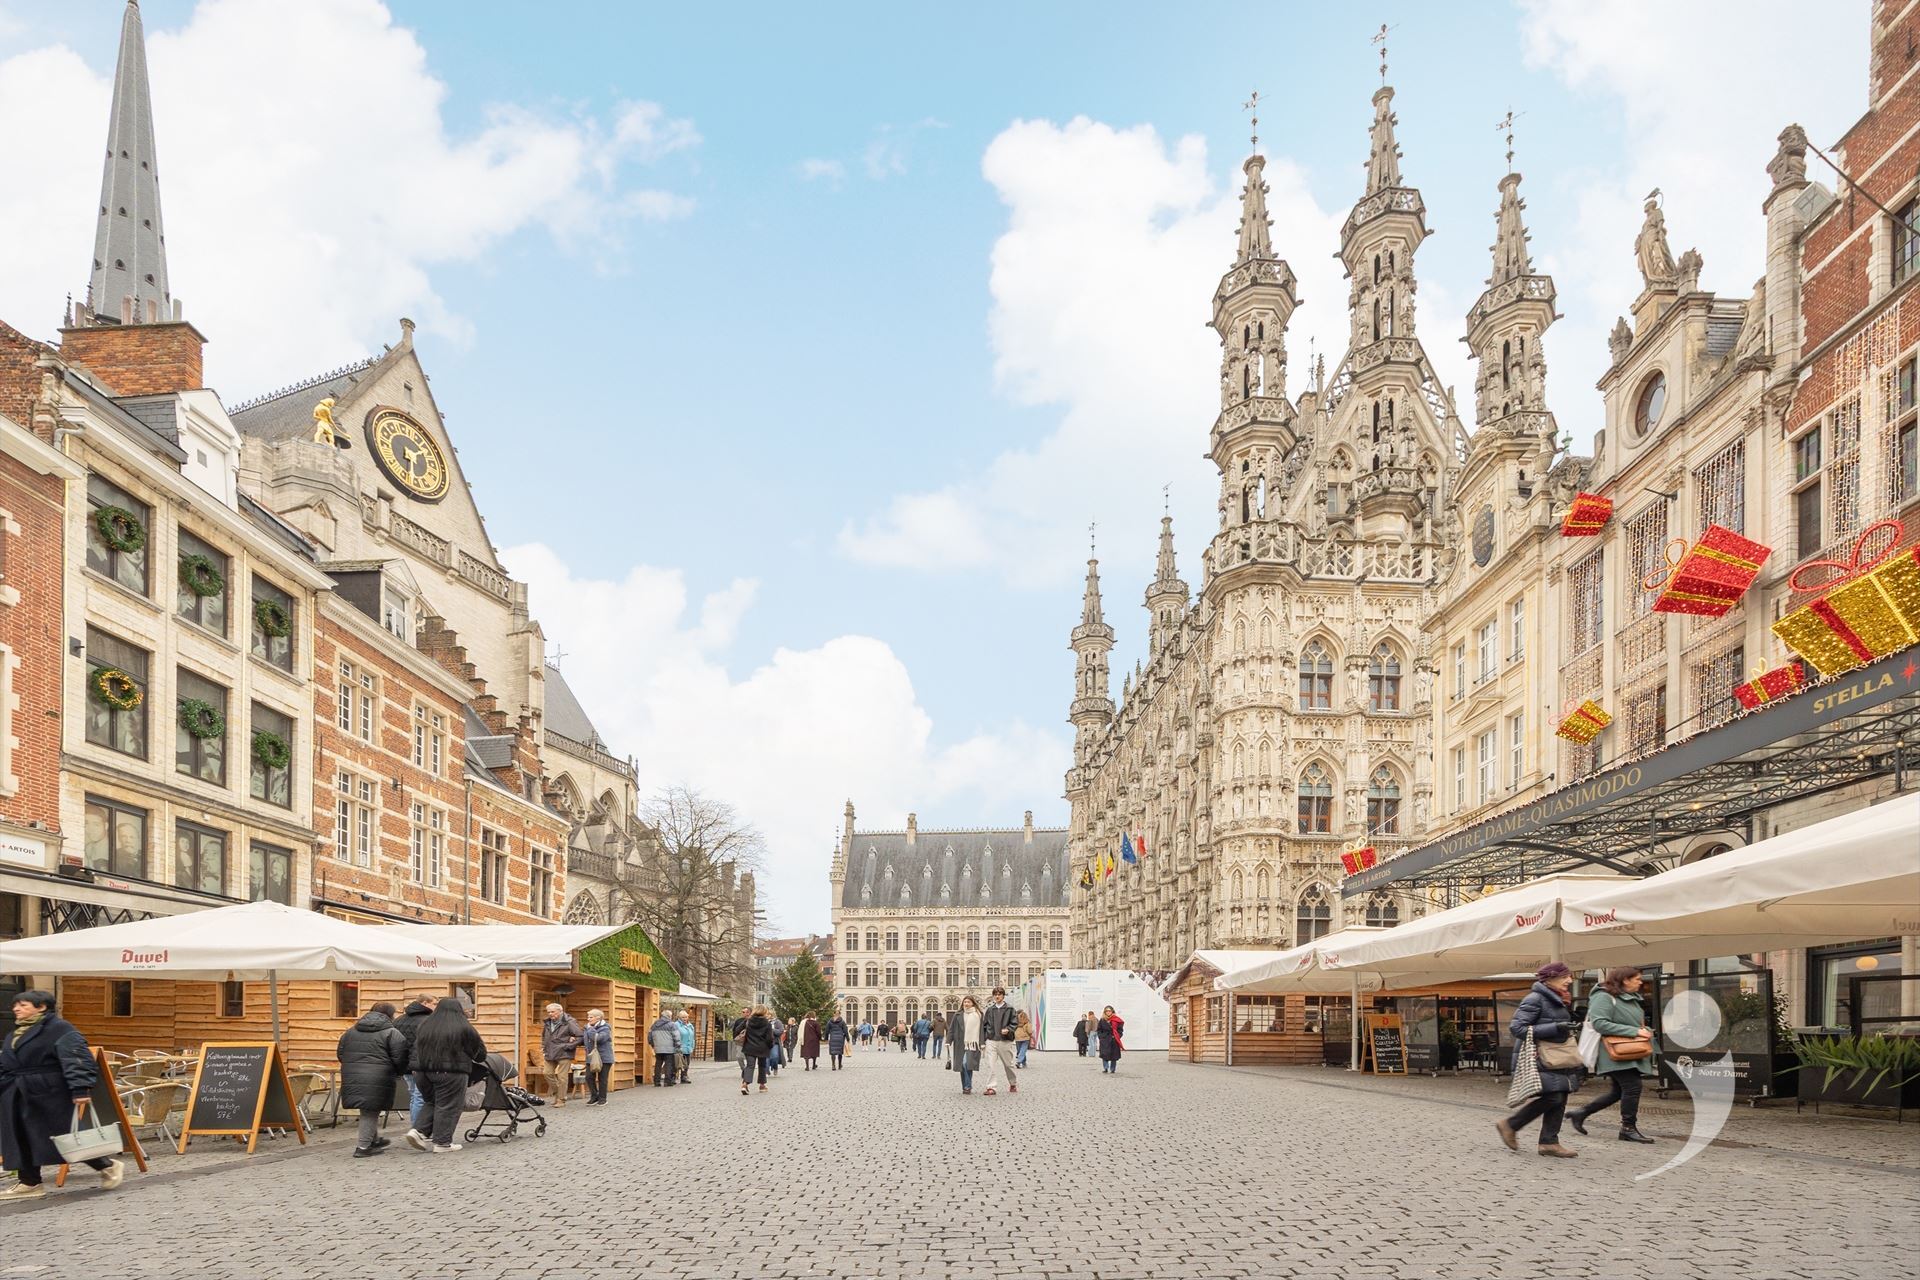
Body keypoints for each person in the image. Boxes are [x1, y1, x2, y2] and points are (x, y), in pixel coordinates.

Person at [0, 990, 123, 1198]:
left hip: (48, 1091)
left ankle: (108, 1165)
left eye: (23, 1005)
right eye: (15, 1005)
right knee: (21, 1135)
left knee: (61, 1136)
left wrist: (80, 1088)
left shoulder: (60, 1029)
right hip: (17, 1091)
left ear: (41, 1007)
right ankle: (29, 1183)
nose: (16, 1009)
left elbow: (77, 1059)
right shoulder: (16, 1033)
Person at [1496, 962, 1582, 1159]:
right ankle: (1511, 1125)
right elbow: (1517, 1028)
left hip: (1556, 1056)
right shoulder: (1535, 999)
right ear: (1550, 978)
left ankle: (1549, 1142)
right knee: (1554, 1096)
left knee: (1560, 1094)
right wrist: (1556, 1028)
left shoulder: (1557, 999)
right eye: (1564, 977)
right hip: (1539, 1056)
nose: (1569, 980)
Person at [1570, 967, 1658, 1144]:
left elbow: (1632, 1022)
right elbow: (1600, 1024)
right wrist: (1635, 1031)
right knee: (1633, 1087)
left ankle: (1581, 1113)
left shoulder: (1631, 999)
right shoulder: (1603, 996)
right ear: (1625, 980)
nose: (1641, 982)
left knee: (1617, 1091)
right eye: (1637, 979)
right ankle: (1628, 1128)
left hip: (1630, 1050)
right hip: (1613, 1051)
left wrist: (1645, 1030)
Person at [408, 997, 486, 1153]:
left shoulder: (425, 1025)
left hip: (422, 1071)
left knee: (432, 1101)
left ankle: (417, 1131)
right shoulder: (464, 1027)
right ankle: (442, 1143)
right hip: (451, 1072)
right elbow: (479, 1053)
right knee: (449, 1105)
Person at [338, 1000, 410, 1156]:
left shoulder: (351, 1031)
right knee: (370, 1111)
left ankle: (373, 1139)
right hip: (379, 1076)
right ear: (390, 1015)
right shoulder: (392, 1033)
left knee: (368, 1108)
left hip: (353, 1074)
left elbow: (341, 1053)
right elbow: (400, 1057)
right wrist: (398, 1072)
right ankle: (363, 1147)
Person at [392, 993, 437, 1134]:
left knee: (414, 1095)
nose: (436, 1007)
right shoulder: (429, 1021)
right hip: (421, 1065)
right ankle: (418, 1130)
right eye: (434, 1003)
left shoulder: (398, 1020)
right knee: (421, 1097)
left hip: (404, 1065)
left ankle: (415, 1127)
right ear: (425, 1003)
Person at [540, 1002, 582, 1106]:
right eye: (548, 1012)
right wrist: (543, 1047)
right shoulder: (548, 1023)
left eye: (552, 1011)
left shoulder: (569, 1022)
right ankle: (559, 1094)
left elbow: (580, 1036)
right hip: (550, 1052)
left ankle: (561, 1100)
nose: (550, 1014)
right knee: (547, 1073)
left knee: (562, 1077)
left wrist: (568, 1046)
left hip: (564, 1053)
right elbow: (544, 1036)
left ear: (560, 1011)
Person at [980, 987, 1019, 1096]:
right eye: (995, 994)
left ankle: (1013, 1083)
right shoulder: (990, 1010)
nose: (997, 996)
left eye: (999, 994)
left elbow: (1015, 1023)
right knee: (991, 1065)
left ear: (1003, 996)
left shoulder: (1010, 1009)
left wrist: (1009, 1029)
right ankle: (991, 1087)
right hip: (991, 1040)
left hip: (1005, 1041)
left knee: (1008, 1065)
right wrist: (984, 1040)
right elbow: (985, 1025)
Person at [950, 995, 986, 1095]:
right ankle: (966, 1086)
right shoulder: (958, 1014)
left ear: (973, 1003)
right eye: (965, 1002)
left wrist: (982, 1042)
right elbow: (951, 1029)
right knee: (963, 1065)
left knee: (967, 1063)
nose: (966, 1004)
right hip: (960, 1043)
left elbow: (982, 1030)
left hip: (973, 1043)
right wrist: (949, 1040)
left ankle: (967, 1086)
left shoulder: (979, 1015)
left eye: (968, 1002)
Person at [580, 1009, 615, 1105]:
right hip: (591, 1057)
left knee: (602, 1078)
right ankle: (594, 1096)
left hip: (604, 1057)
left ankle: (602, 1098)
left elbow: (598, 1038)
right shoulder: (587, 1027)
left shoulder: (605, 1028)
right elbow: (584, 1040)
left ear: (598, 1017)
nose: (588, 1019)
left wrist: (590, 1029)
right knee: (589, 1077)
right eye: (588, 1017)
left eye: (591, 1017)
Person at [737, 1007, 774, 1094]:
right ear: (764, 1012)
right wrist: (770, 1046)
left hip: (749, 1046)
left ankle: (745, 1084)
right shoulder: (767, 1023)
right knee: (762, 1066)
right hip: (762, 1047)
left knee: (750, 1065)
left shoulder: (748, 1021)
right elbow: (769, 1038)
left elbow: (737, 1030)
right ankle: (762, 1085)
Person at [648, 1011, 681, 1088]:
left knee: (658, 1064)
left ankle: (656, 1082)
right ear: (669, 1016)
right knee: (669, 1064)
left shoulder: (654, 1025)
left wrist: (653, 1044)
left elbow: (650, 1036)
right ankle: (667, 1082)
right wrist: (678, 1045)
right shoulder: (672, 1025)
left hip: (658, 1048)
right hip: (669, 1049)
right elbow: (677, 1036)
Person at [1095, 1005, 1126, 1074]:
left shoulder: (1117, 1020)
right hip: (1105, 1040)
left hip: (1113, 1040)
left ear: (1112, 1011)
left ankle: (1112, 1069)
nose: (1108, 1012)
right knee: (1104, 1055)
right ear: (1105, 1012)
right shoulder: (1102, 1020)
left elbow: (1120, 1030)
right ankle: (1105, 1068)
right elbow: (1099, 1030)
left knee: (1113, 1056)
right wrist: (1101, 1037)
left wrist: (1117, 1037)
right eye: (1107, 1011)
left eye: (1109, 1011)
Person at [675, 1010, 696, 1085]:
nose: (685, 1019)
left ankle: (684, 1077)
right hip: (680, 1048)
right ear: (679, 1017)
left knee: (687, 1064)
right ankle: (673, 1077)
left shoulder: (690, 1025)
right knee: (678, 1063)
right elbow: (675, 1036)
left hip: (688, 1048)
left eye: (686, 1017)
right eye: (683, 1017)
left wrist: (692, 1046)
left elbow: (692, 1037)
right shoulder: (676, 1025)